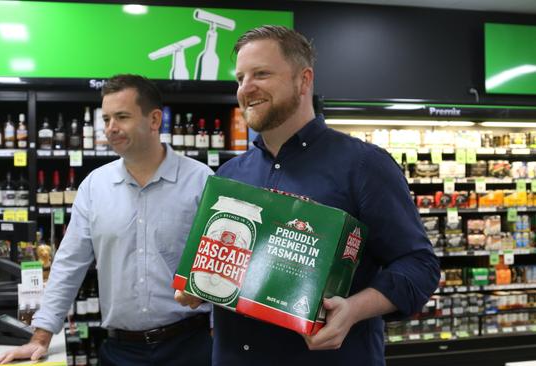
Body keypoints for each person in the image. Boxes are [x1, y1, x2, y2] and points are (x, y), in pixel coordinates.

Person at [175, 25, 440, 365]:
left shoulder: (363, 165)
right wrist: (199, 285)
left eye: (261, 74)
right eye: (240, 78)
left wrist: (354, 309)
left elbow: (420, 265)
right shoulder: (229, 176)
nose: (246, 88)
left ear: (304, 80)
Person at [0, 74, 213, 366]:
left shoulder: (201, 181)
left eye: (122, 117)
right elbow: (69, 263)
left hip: (190, 348)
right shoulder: (95, 186)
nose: (111, 128)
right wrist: (40, 337)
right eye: (106, 119)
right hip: (120, 351)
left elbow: (222, 266)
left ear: (154, 120)